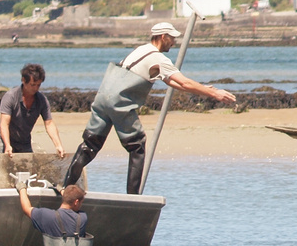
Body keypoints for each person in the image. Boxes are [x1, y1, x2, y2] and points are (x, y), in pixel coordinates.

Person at [63, 22, 236, 194]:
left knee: (90, 145)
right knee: (137, 146)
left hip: (102, 97)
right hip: (119, 101)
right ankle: (133, 198)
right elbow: (184, 81)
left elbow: (172, 82)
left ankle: (65, 187)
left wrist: (206, 90)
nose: (174, 42)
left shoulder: (141, 49)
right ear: (163, 37)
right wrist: (215, 94)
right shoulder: (158, 58)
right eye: (172, 38)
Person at [0, 63, 66, 158]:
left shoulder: (41, 100)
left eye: (38, 85)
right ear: (24, 80)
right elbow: (4, 124)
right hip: (4, 138)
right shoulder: (11, 96)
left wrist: (58, 145)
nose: (35, 88)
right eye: (32, 85)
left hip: (24, 140)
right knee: (2, 167)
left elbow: (49, 123)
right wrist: (7, 145)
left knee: (29, 170)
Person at [18, 183, 87, 237]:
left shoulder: (47, 216)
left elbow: (26, 209)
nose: (81, 205)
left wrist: (22, 189)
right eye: (81, 202)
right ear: (76, 202)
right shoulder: (82, 217)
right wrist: (62, 191)